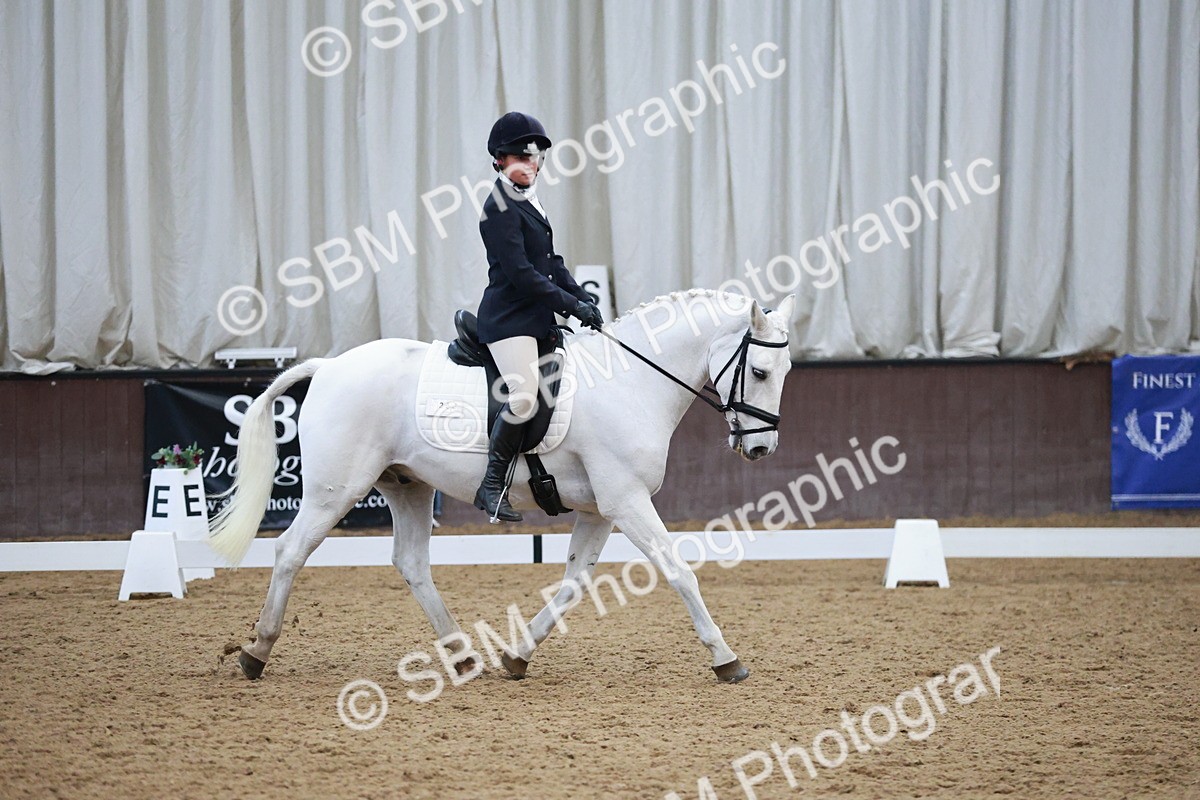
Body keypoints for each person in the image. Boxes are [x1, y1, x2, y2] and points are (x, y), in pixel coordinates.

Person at [473, 111, 604, 522]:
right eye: (520, 157)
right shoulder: (498, 207)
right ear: (500, 160)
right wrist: (570, 306)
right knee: (525, 396)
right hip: (509, 321)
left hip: (536, 319)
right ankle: (491, 485)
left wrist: (582, 296)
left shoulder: (529, 201)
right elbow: (523, 274)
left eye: (534, 156)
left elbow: (551, 262)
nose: (529, 164)